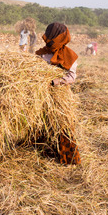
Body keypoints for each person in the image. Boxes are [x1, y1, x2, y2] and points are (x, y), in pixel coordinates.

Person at [35, 22, 81, 165]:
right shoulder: (42, 52)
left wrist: (58, 81)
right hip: (42, 94)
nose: (48, 38)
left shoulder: (69, 56)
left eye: (51, 35)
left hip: (60, 96)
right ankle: (41, 152)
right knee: (40, 122)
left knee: (63, 126)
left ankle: (67, 159)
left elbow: (72, 77)